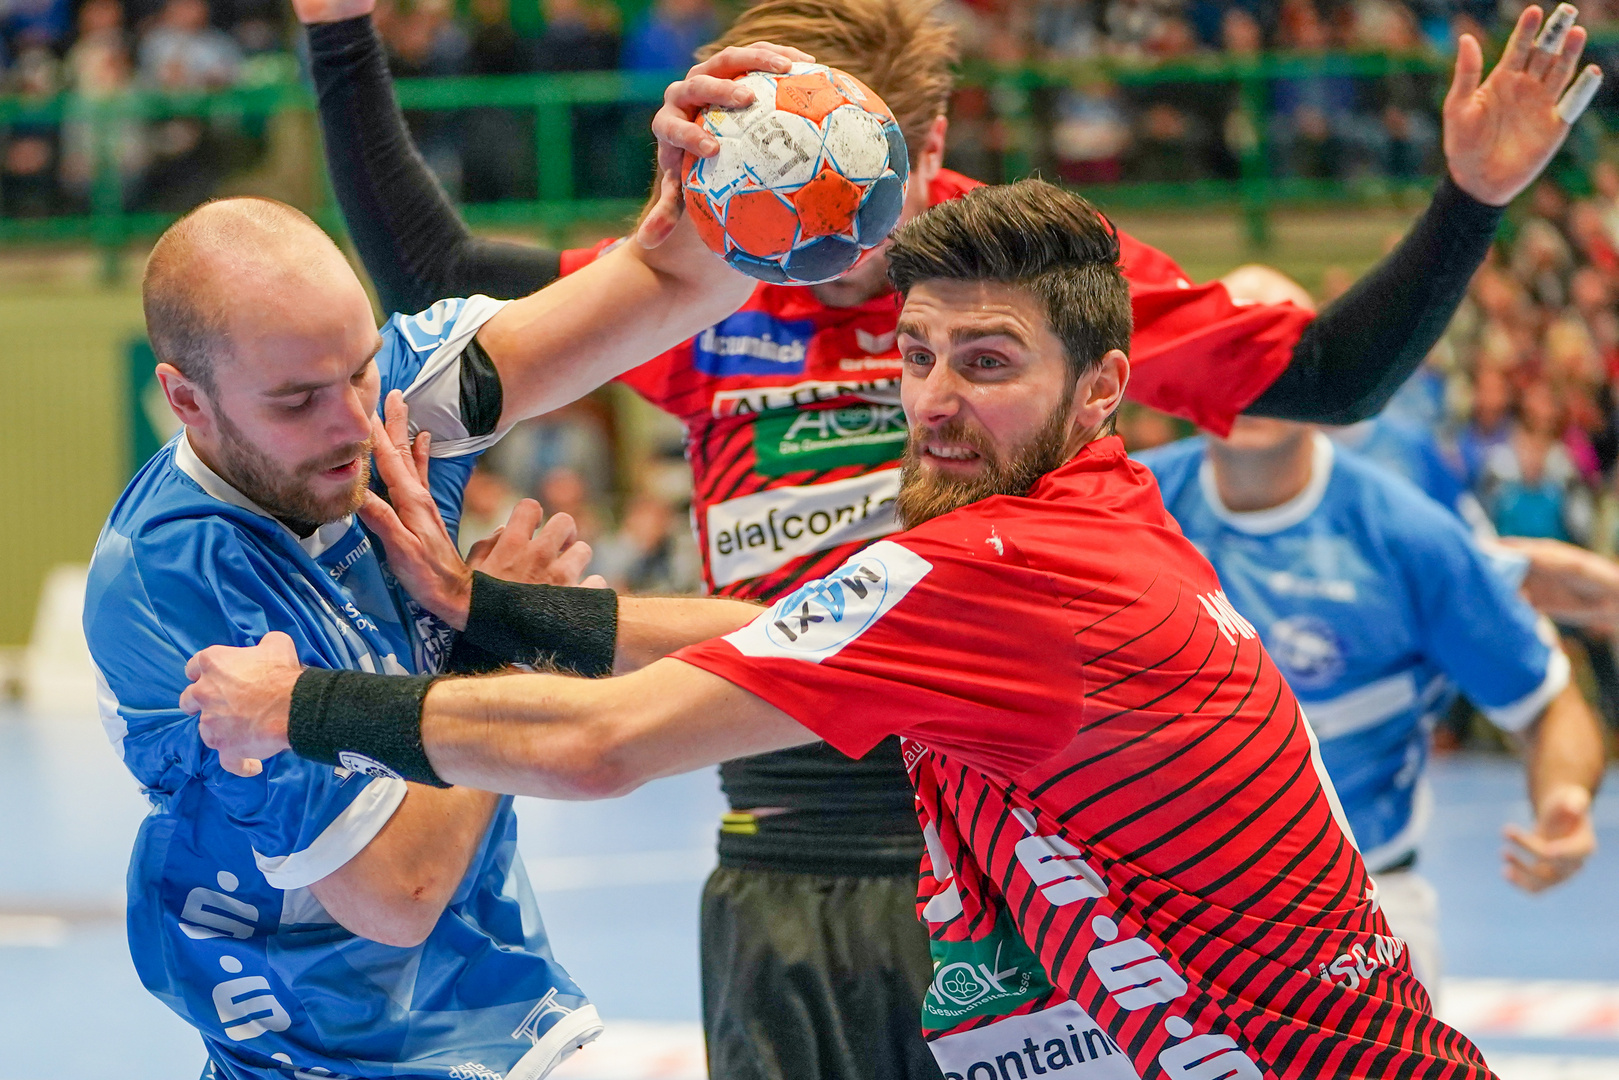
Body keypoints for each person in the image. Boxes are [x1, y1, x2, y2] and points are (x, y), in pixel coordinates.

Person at [295, 0, 1599, 1075]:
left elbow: (1320, 374)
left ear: (922, 144)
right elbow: (446, 282)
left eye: (851, 188)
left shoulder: (1019, 281)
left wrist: (1465, 200)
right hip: (780, 835)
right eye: (775, 184)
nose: (821, 244)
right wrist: (342, 30)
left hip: (1008, 841)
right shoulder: (704, 274)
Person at [81, 46, 788, 1080]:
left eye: (360, 367)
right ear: (187, 399)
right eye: (296, 399)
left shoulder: (395, 408)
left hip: (502, 1019)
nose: (352, 419)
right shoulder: (174, 584)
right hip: (332, 1050)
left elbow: (667, 281)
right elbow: (395, 892)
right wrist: (507, 638)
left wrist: (721, 166)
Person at [1135, 411, 1604, 989]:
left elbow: (1544, 696)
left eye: (1271, 361)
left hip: (1362, 914)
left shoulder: (1409, 533)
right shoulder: (1121, 509)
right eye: (1226, 359)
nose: (1250, 387)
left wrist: (1563, 798)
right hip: (1146, 914)